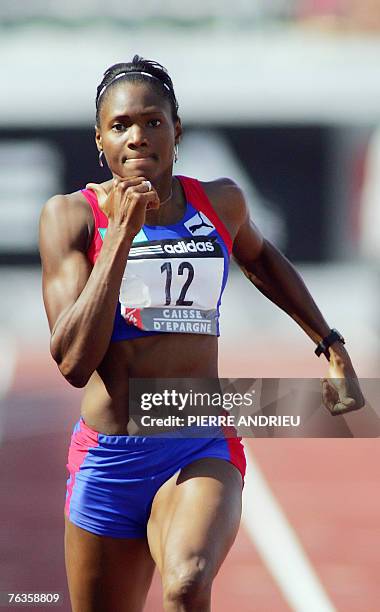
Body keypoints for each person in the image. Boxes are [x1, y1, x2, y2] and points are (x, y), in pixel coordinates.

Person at [39, 55, 364, 612]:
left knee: (187, 582)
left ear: (177, 130)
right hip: (109, 456)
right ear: (99, 139)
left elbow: (262, 259)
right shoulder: (72, 217)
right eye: (120, 126)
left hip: (197, 439)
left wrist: (329, 344)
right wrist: (119, 240)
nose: (137, 137)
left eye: (152, 122)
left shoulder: (219, 202)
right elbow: (72, 364)